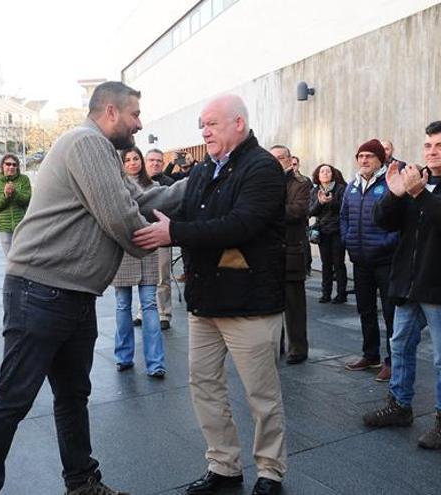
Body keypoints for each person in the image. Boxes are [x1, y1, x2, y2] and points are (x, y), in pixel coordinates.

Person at [0, 81, 185, 495]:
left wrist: (203, 182)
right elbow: (122, 218)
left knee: (72, 396)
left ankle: (82, 483)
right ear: (110, 112)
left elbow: (141, 198)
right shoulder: (87, 143)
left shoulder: (100, 152)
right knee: (12, 399)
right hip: (41, 292)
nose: (140, 124)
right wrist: (166, 237)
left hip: (72, 295)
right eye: (135, 114)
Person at [133, 94, 287, 495]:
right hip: (205, 302)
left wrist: (176, 232)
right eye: (202, 124)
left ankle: (270, 471)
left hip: (250, 303)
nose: (204, 131)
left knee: (261, 395)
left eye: (212, 124)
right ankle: (224, 465)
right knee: (204, 385)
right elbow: (193, 217)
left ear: (239, 123)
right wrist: (170, 225)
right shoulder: (203, 169)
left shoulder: (263, 168)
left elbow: (240, 225)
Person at [363, 121, 441, 450]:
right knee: (400, 346)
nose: (432, 152)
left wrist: (419, 193)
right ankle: (399, 406)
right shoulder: (415, 177)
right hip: (408, 282)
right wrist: (394, 194)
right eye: (428, 146)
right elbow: (382, 220)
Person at [340, 139, 399, 382]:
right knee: (365, 309)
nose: (364, 160)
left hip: (385, 260)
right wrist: (348, 239)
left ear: (380, 159)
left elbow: (400, 222)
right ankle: (370, 354)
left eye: (369, 156)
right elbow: (343, 216)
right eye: (360, 156)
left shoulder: (390, 184)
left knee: (390, 313)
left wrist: (386, 243)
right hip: (360, 259)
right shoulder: (352, 185)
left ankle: (393, 361)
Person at [112, 147, 166, 378]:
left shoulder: (153, 188)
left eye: (136, 158)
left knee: (149, 305)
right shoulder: (114, 187)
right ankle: (123, 357)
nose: (133, 162)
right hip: (123, 250)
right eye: (128, 159)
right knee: (123, 305)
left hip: (147, 250)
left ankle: (155, 363)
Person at [271, 144, 312, 365]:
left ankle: (298, 348)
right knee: (271, 303)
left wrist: (268, 209)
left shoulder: (301, 183)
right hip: (268, 251)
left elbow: (298, 210)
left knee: (294, 304)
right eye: (273, 158)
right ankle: (276, 344)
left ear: (289, 159)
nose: (277, 162)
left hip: (292, 249)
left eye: (280, 158)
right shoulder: (263, 181)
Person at [140, 148, 174, 330]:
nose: (155, 163)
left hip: (161, 235)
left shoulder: (169, 183)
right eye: (151, 160)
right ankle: (141, 312)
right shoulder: (138, 182)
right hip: (142, 233)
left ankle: (164, 313)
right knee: (142, 277)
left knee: (162, 276)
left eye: (159, 161)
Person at [309, 163, 348, 304]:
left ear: (333, 174)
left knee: (338, 263)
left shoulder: (341, 189)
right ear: (318, 176)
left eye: (328, 171)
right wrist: (320, 202)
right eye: (322, 171)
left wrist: (332, 202)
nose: (325, 173)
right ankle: (326, 293)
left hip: (337, 230)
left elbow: (344, 209)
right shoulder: (314, 191)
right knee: (325, 264)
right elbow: (310, 212)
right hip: (323, 231)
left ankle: (341, 294)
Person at [0, 154, 32, 255]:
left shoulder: (24, 180)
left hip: (21, 226)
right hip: (4, 227)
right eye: (8, 164)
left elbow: (27, 200)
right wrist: (5, 196)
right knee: (10, 259)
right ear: (2, 166)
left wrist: (14, 192)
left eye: (14, 164)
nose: (11, 167)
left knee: (22, 257)